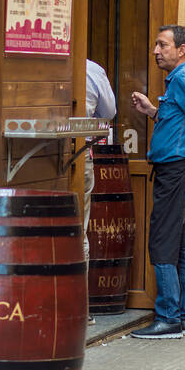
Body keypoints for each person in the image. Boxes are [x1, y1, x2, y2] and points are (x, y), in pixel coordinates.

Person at [129, 25, 185, 339]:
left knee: (162, 241)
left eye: (162, 45)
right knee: (180, 244)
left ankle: (168, 318)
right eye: (156, 44)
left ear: (181, 50)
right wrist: (154, 111)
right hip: (180, 168)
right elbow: (182, 120)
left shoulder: (184, 78)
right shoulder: (182, 79)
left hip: (178, 171)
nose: (156, 50)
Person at [84, 58, 117, 323]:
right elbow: (109, 112)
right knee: (78, 228)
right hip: (79, 153)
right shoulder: (91, 70)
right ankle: (79, 307)